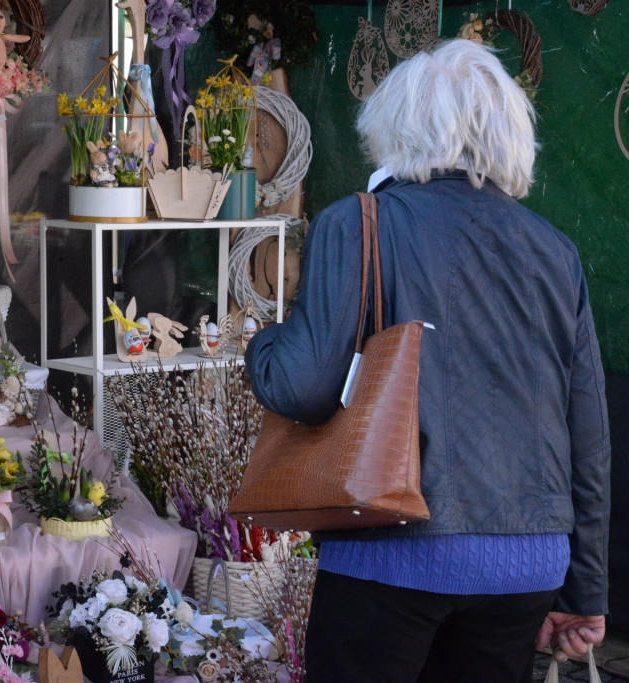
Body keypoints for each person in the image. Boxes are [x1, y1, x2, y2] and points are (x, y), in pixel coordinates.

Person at [245, 39, 609, 682]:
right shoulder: (556, 252)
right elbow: (589, 438)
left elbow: (299, 385)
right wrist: (585, 594)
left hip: (392, 550)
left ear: (396, 125)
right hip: (528, 564)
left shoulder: (357, 223)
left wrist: (257, 341)